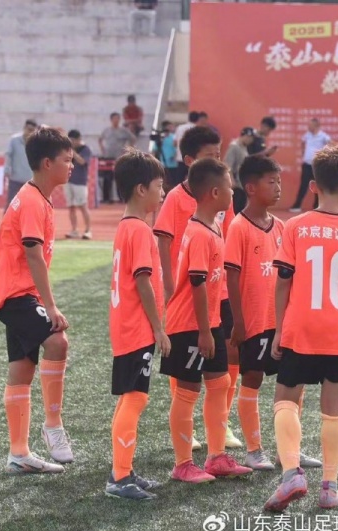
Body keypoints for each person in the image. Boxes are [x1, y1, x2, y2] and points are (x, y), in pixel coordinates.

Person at [264, 143, 338, 512]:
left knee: (285, 398)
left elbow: (283, 280)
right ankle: (329, 486)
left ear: (312, 186)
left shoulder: (295, 226)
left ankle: (291, 474)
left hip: (301, 326)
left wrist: (279, 328)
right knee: (333, 405)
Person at [225, 155, 322, 472]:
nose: (279, 187)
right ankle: (254, 450)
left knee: (294, 380)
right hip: (254, 323)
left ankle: (288, 450)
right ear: (251, 187)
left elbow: (291, 275)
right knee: (252, 379)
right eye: (272, 181)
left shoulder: (282, 227)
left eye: (279, 181)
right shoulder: (238, 227)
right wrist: (238, 322)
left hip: (283, 323)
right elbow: (232, 278)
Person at [0, 127, 75, 474]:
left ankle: (19, 454)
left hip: (17, 293)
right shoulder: (33, 200)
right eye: (67, 160)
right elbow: (33, 254)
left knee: (22, 369)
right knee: (57, 341)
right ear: (47, 163)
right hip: (15, 294)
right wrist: (50, 307)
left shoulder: (37, 196)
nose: (72, 165)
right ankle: (53, 425)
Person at [160, 158, 252, 483]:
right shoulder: (199, 232)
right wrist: (204, 331)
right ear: (214, 192)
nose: (233, 192)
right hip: (189, 325)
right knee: (188, 390)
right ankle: (183, 463)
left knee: (220, 383)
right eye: (229, 186)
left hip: (208, 321)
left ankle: (216, 457)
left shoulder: (212, 226)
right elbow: (197, 284)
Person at [153, 126, 242, 450]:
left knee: (228, 359)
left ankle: (220, 426)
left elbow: (229, 236)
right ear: (191, 161)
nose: (218, 160)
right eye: (210, 156)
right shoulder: (178, 199)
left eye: (219, 154)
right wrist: (168, 282)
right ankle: (186, 433)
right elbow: (164, 240)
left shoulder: (219, 204)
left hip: (219, 292)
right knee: (187, 373)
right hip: (192, 293)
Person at [105, 149, 170, 500]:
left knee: (130, 396)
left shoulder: (125, 227)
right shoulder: (141, 230)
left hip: (125, 325)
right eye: (159, 186)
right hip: (136, 327)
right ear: (141, 189)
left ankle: (123, 470)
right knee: (136, 397)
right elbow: (143, 281)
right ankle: (119, 478)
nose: (163, 193)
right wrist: (158, 328)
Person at [289, 118, 331, 212]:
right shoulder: (307, 135)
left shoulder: (323, 136)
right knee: (303, 185)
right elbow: (303, 143)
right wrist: (304, 153)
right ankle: (297, 205)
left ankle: (317, 206)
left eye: (310, 125)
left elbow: (330, 145)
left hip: (317, 165)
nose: (308, 127)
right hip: (307, 164)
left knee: (318, 185)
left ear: (316, 126)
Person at [99, 112, 136, 203]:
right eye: (114, 118)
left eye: (117, 118)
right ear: (111, 120)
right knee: (107, 178)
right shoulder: (106, 130)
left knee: (120, 178)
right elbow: (100, 139)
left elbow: (133, 139)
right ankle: (106, 198)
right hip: (108, 157)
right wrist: (103, 149)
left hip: (119, 157)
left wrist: (128, 150)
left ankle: (121, 198)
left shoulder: (124, 130)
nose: (116, 120)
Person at [64, 130, 92, 240]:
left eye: (73, 140)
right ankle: (74, 230)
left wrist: (73, 152)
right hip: (68, 180)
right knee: (71, 206)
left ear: (78, 139)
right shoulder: (66, 149)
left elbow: (82, 161)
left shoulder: (85, 149)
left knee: (82, 206)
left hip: (80, 182)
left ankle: (88, 230)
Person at [4, 119, 38, 209]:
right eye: (28, 129)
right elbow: (8, 155)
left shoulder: (37, 143)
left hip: (30, 180)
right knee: (11, 204)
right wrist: (7, 168)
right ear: (24, 128)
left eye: (32, 130)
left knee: (29, 206)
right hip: (15, 178)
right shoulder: (14, 140)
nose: (30, 132)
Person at [224, 127, 256, 214]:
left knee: (240, 209)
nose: (251, 141)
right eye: (251, 138)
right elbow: (227, 164)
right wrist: (231, 180)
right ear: (246, 136)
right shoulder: (234, 147)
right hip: (236, 185)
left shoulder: (243, 147)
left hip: (242, 184)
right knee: (235, 210)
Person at [154, 121, 178, 188]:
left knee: (173, 182)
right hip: (162, 164)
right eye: (169, 126)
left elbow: (177, 148)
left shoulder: (174, 137)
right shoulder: (160, 138)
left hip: (173, 164)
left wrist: (174, 156)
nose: (171, 128)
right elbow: (154, 150)